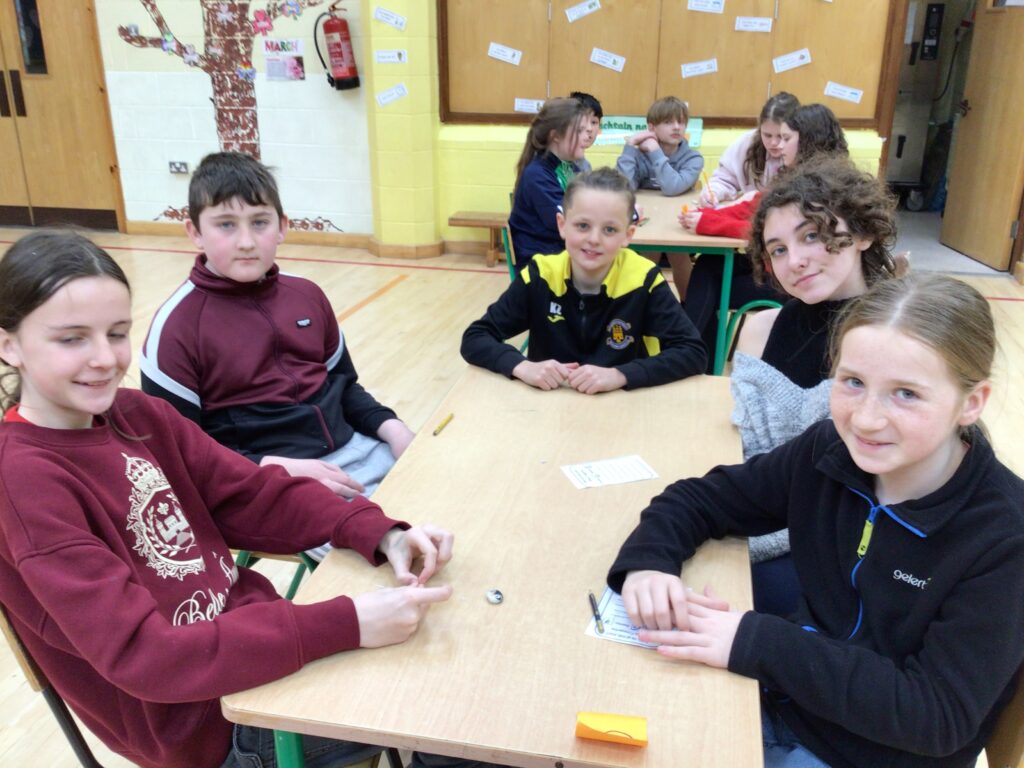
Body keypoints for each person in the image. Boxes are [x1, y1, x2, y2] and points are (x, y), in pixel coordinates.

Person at [0, 230, 455, 768]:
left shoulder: (139, 414)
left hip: (262, 654)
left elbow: (252, 495)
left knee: (454, 663)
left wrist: (378, 531)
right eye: (72, 339)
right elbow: (146, 655)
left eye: (117, 333)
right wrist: (348, 622)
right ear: (9, 345)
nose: (104, 358)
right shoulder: (22, 481)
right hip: (207, 728)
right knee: (453, 711)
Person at [608, 272, 1024, 768]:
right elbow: (702, 499)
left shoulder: (1005, 534)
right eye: (853, 383)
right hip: (781, 701)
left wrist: (756, 641)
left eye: (906, 394)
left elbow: (935, 716)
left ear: (971, 403)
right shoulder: (830, 450)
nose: (866, 419)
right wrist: (650, 563)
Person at [140, 152, 414, 561]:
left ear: (282, 226)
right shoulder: (175, 328)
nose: (246, 241)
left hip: (357, 452)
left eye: (260, 222)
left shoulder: (307, 295)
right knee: (389, 556)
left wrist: (393, 429)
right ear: (194, 232)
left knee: (457, 504)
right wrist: (276, 469)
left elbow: (343, 387)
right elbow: (181, 455)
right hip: (264, 483)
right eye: (226, 225)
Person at [732, 155, 899, 615]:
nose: (795, 261)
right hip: (755, 510)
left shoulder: (895, 338)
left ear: (862, 234)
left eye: (811, 235)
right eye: (778, 249)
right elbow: (741, 444)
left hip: (844, 544)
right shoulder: (760, 328)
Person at [461, 167, 706, 393]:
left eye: (609, 229)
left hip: (620, 405)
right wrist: (522, 366)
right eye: (582, 226)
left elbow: (693, 352)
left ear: (627, 235)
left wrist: (620, 374)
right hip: (550, 404)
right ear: (562, 225)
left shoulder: (644, 280)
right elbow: (476, 337)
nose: (594, 239)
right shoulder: (540, 275)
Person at [680, 103, 848, 372]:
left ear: (806, 140)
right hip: (778, 267)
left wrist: (708, 222)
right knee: (709, 264)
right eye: (774, 137)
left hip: (794, 281)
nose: (778, 146)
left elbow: (764, 232)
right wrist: (705, 216)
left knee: (709, 286)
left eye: (786, 138)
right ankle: (695, 358)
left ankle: (689, 355)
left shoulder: (818, 187)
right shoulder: (795, 176)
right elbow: (756, 209)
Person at [616, 95, 705, 299]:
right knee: (647, 255)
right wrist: (630, 147)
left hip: (676, 221)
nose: (676, 127)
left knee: (678, 253)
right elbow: (623, 189)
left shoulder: (693, 158)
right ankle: (641, 305)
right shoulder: (638, 155)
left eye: (681, 122)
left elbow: (672, 187)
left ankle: (687, 306)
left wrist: (656, 152)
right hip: (647, 221)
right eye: (668, 122)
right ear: (651, 128)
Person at [507, 97, 588, 266]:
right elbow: (567, 221)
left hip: (560, 252)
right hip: (541, 262)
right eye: (579, 131)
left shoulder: (568, 166)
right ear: (555, 135)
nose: (587, 136)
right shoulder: (537, 175)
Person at [700, 91, 799, 206]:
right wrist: (712, 193)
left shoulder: (805, 153)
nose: (774, 143)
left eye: (782, 136)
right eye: (767, 135)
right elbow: (723, 180)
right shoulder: (747, 143)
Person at [571, 90, 603, 173]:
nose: (590, 129)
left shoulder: (585, 165)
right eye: (584, 121)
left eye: (594, 122)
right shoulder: (558, 164)